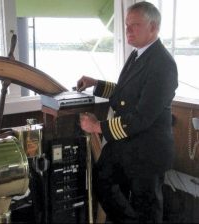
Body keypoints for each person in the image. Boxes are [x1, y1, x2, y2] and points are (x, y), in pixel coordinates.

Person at [77, 2, 178, 223]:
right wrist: (97, 84)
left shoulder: (163, 64)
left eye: (135, 25)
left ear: (153, 28)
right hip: (127, 143)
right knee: (102, 180)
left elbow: (142, 118)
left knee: (147, 208)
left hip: (147, 150)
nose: (128, 30)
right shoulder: (139, 54)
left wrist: (97, 127)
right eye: (126, 25)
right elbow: (126, 93)